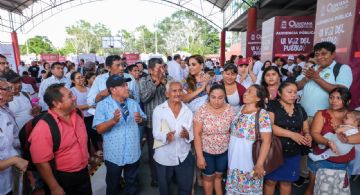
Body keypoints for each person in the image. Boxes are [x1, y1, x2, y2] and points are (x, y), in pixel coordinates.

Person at [296, 41, 353, 187]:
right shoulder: (312, 68)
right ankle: (304, 174)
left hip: (325, 118)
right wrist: (306, 78)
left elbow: (342, 92)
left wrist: (317, 78)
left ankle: (320, 178)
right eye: (317, 54)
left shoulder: (342, 68)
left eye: (324, 54)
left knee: (322, 147)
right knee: (304, 147)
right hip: (303, 116)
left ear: (333, 55)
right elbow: (296, 86)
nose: (320, 57)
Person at [29, 83, 91, 195]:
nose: (74, 97)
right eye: (70, 96)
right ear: (57, 104)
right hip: (63, 178)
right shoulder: (44, 127)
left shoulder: (77, 113)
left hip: (83, 172)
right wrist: (54, 187)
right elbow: (41, 163)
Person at [93, 75, 146, 195]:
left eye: (126, 84)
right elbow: (99, 129)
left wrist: (141, 120)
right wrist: (112, 121)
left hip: (132, 151)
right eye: (123, 86)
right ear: (113, 89)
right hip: (114, 154)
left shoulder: (132, 103)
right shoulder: (103, 105)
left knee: (132, 183)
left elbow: (144, 119)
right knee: (113, 184)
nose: (127, 87)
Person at [305, 87, 358, 195]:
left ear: (348, 101)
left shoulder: (355, 116)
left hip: (344, 162)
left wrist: (344, 139)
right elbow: (315, 134)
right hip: (321, 160)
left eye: (339, 98)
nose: (334, 101)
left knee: (337, 191)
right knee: (312, 188)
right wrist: (328, 142)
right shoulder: (321, 114)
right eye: (331, 97)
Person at [263, 81, 311, 195]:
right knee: (270, 181)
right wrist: (292, 134)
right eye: (289, 92)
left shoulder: (300, 109)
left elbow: (305, 128)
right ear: (279, 93)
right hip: (274, 152)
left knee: (287, 182)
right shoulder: (272, 105)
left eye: (295, 92)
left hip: (293, 153)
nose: (293, 95)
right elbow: (270, 126)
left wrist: (308, 135)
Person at [225, 84, 272, 194]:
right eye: (246, 91)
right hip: (234, 161)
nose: (245, 93)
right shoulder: (241, 109)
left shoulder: (262, 114)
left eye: (250, 92)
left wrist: (260, 164)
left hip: (250, 162)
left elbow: (267, 141)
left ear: (258, 98)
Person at [152, 80, 194, 195]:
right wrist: (165, 136)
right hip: (164, 156)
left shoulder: (188, 112)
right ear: (167, 93)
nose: (178, 93)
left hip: (183, 155)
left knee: (186, 187)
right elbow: (155, 133)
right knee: (164, 189)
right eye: (174, 91)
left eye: (180, 90)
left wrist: (187, 135)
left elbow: (192, 133)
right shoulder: (159, 110)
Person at [194, 84, 235, 195]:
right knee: (208, 178)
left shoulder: (229, 110)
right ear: (209, 96)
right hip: (207, 152)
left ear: (225, 97)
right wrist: (200, 156)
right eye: (213, 97)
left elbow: (233, 131)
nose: (216, 101)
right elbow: (197, 134)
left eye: (220, 98)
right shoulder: (202, 110)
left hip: (224, 151)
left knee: (218, 177)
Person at [139, 57, 170, 187]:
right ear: (151, 70)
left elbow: (173, 96)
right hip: (152, 123)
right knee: (155, 151)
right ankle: (156, 177)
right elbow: (145, 98)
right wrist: (155, 84)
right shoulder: (143, 81)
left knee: (169, 147)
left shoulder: (168, 79)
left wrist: (164, 84)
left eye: (163, 67)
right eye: (159, 68)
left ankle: (169, 175)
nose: (162, 70)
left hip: (168, 121)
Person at [0, 77, 29, 195]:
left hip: (12, 176)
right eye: (9, 88)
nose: (12, 91)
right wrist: (14, 160)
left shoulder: (5, 110)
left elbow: (9, 143)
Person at [70, 72, 101, 157]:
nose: (81, 79)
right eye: (78, 78)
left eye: (82, 77)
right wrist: (89, 105)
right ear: (73, 81)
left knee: (94, 133)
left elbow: (94, 100)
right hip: (80, 117)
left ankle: (97, 149)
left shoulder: (88, 89)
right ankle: (88, 154)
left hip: (92, 115)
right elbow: (74, 107)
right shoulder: (72, 91)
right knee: (85, 136)